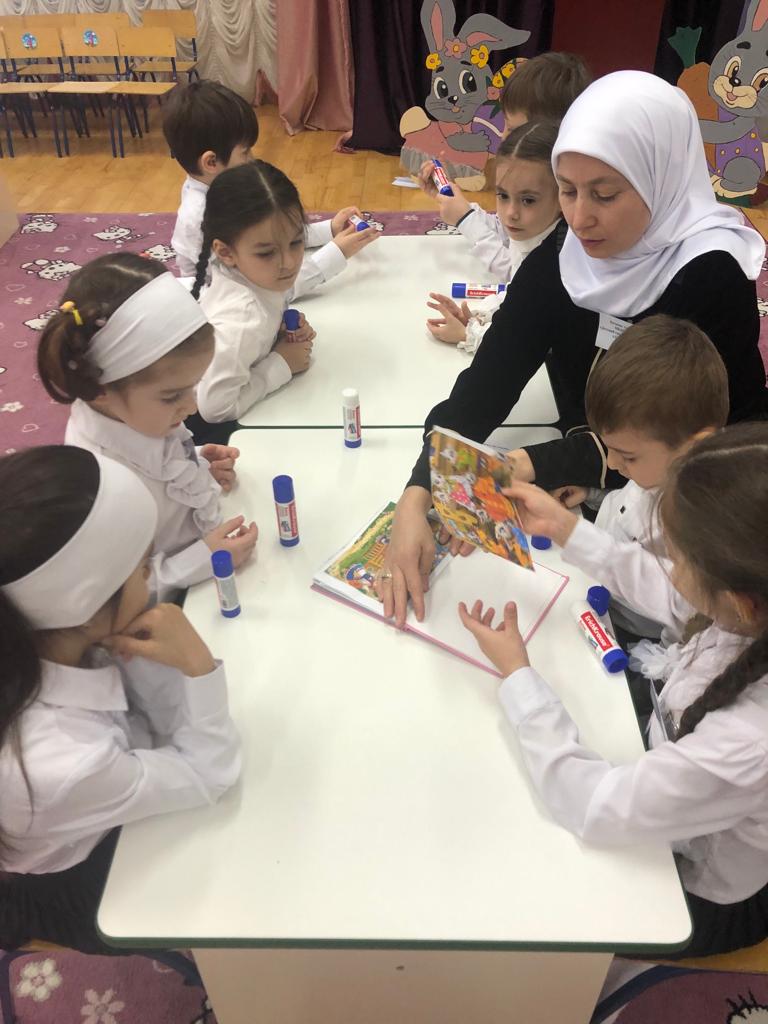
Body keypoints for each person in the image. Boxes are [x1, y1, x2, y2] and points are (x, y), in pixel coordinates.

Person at [379, 70, 767, 627]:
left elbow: (709, 438)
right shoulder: (564, 255)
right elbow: (484, 386)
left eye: (604, 194)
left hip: (680, 518)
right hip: (592, 489)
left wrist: (544, 463)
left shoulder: (711, 275)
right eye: (566, 189)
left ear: (661, 179)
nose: (579, 218)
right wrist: (418, 492)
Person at [460, 422, 768, 958]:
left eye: (678, 559)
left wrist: (520, 679)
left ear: (740, 600)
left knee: (524, 897)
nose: (668, 570)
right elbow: (670, 595)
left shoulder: (747, 740)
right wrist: (564, 527)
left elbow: (594, 806)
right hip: (677, 770)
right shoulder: (746, 605)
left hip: (702, 898)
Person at [0, 446, 240, 953]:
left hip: (80, 801)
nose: (153, 577)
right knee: (230, 890)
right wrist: (197, 667)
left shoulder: (49, 634)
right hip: (72, 878)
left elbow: (153, 725)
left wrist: (156, 664)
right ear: (85, 604)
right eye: (142, 567)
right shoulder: (65, 763)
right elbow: (209, 773)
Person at [37, 253, 258, 603]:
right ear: (101, 390)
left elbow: (153, 465)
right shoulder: (101, 489)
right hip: (173, 603)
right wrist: (205, 559)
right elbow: (113, 598)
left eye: (194, 385)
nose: (191, 406)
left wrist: (196, 462)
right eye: (172, 396)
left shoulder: (134, 413)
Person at [556, 313, 728, 645]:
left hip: (629, 631)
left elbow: (683, 624)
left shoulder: (701, 529)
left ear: (694, 445)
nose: (612, 463)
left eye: (628, 456)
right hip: (590, 577)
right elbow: (628, 504)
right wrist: (591, 494)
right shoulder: (662, 465)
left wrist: (639, 659)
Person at [190, 161, 376, 429]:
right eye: (267, 253)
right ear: (226, 252)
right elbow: (215, 409)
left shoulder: (250, 277)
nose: (288, 263)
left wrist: (276, 334)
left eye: (296, 242)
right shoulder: (242, 320)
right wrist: (281, 364)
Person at [163, 80, 377, 281]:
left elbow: (273, 237)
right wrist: (336, 254)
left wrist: (330, 229)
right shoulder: (202, 218)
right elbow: (266, 283)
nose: (252, 159)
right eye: (245, 152)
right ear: (211, 162)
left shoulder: (220, 185)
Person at [422, 121, 562, 354]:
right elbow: (516, 292)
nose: (511, 213)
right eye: (503, 196)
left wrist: (470, 334)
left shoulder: (555, 259)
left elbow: (531, 339)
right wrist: (478, 318)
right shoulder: (533, 230)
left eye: (528, 200)